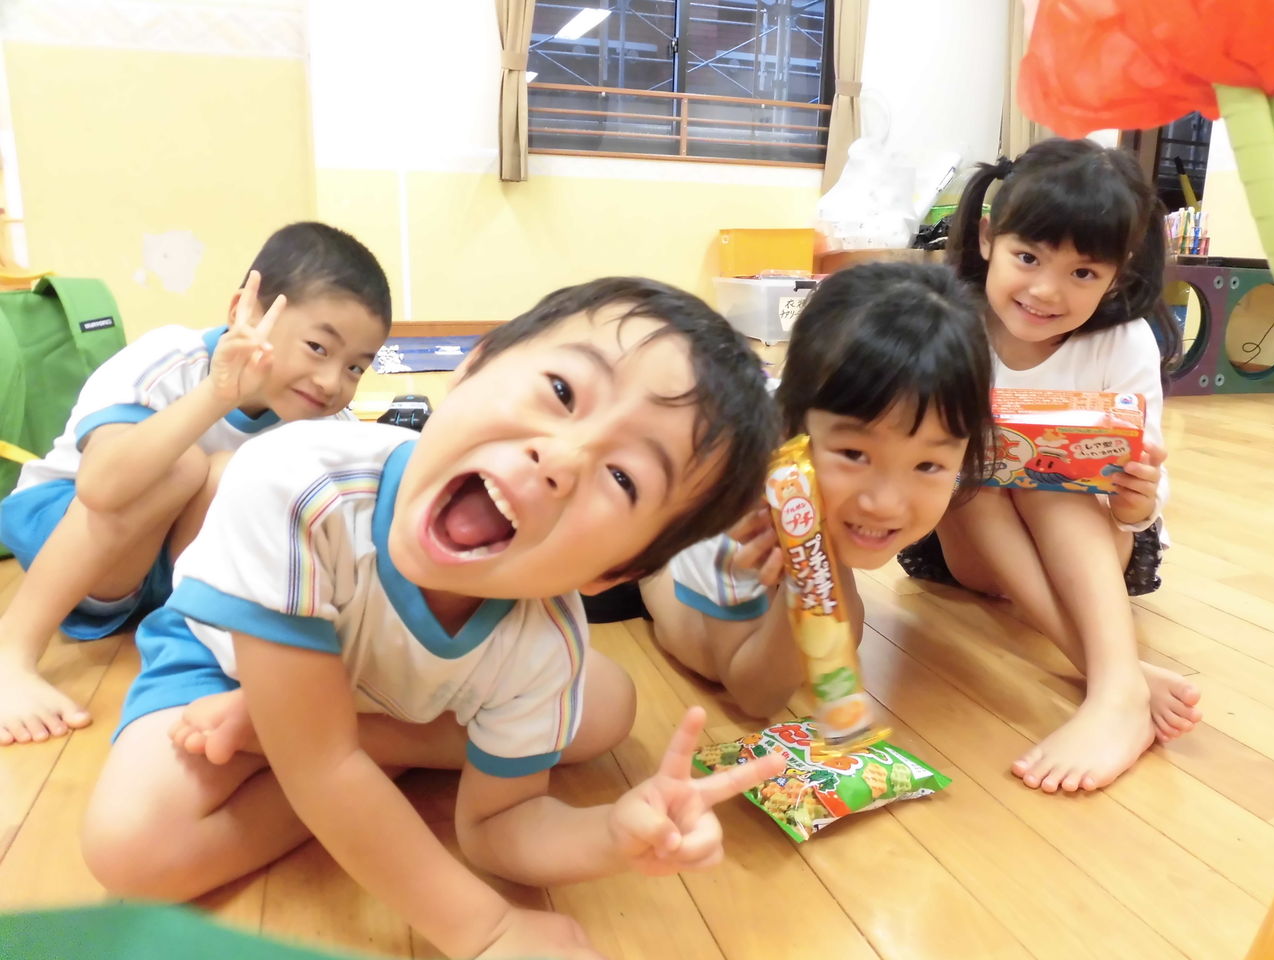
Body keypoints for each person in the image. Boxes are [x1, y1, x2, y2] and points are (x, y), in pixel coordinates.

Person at [81, 277, 785, 960]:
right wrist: (488, 931)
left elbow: (500, 824)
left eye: (624, 478)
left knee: (607, 708)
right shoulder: (298, 484)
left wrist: (613, 835)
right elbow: (321, 768)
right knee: (131, 853)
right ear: (473, 365)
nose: (561, 459)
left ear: (614, 574)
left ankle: (322, 730)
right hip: (227, 661)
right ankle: (311, 724)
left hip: (386, 695)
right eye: (563, 392)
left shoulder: (548, 635)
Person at [0, 222, 392, 746]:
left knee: (244, 478)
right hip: (67, 530)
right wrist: (217, 395)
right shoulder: (170, 359)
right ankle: (10, 654)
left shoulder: (324, 424)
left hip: (159, 574)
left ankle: (194, 645)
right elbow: (101, 488)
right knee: (183, 465)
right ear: (243, 312)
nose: (331, 382)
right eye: (319, 347)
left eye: (356, 368)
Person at [897, 138, 1200, 794]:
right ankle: (1116, 676)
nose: (1045, 291)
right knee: (971, 473)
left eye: (1082, 273)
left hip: (1096, 545)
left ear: (1116, 276)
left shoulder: (1122, 341)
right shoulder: (953, 324)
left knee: (1054, 477)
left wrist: (1135, 501)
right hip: (974, 546)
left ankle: (1114, 689)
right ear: (988, 239)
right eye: (1028, 257)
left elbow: (1142, 489)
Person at [641, 262, 995, 719]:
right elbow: (755, 695)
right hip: (668, 526)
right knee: (709, 653)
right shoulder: (739, 507)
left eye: (927, 465)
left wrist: (813, 559)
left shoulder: (894, 439)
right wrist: (808, 567)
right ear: (790, 427)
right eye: (854, 454)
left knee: (844, 627)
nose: (884, 503)